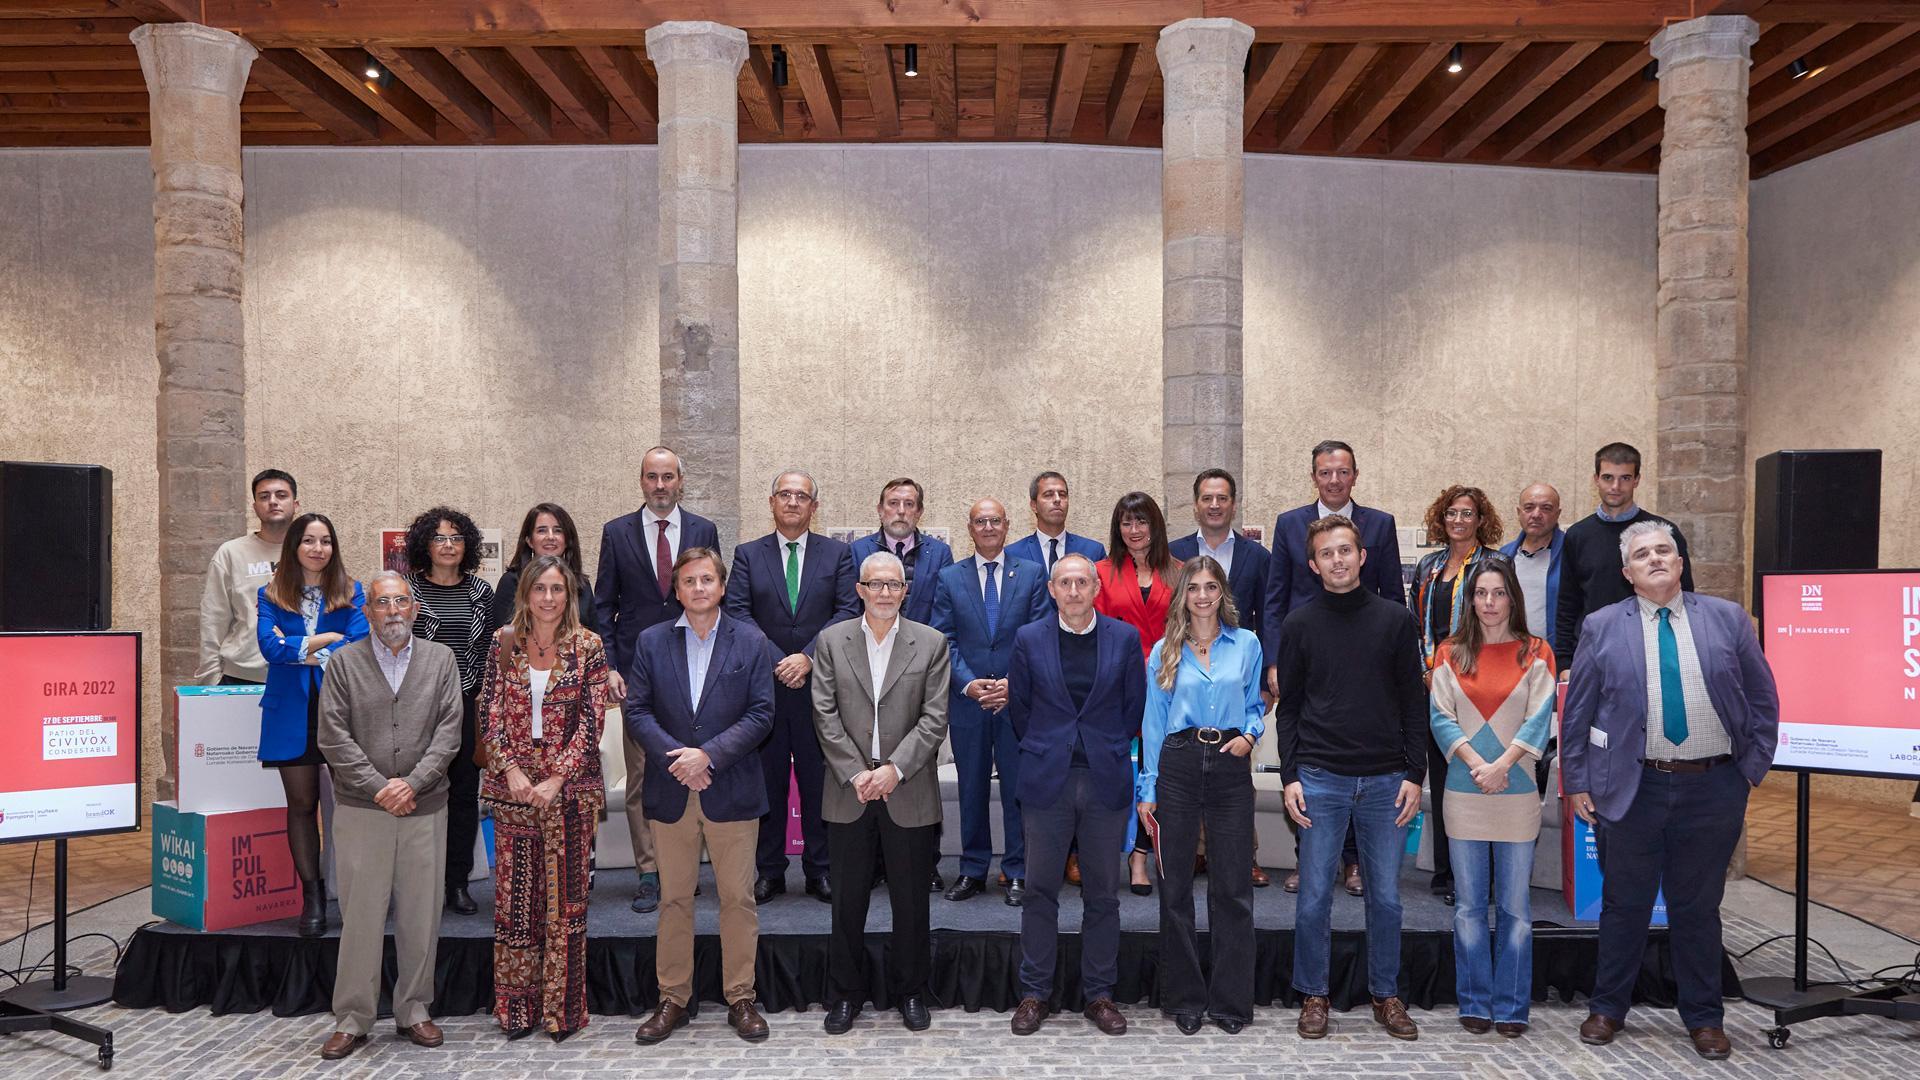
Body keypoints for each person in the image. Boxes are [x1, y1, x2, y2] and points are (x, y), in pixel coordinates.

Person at [1562, 520, 1779, 1060]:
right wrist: (1577, 780)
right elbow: (1579, 712)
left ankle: (1704, 1016)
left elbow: (1761, 697)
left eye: (1665, 550)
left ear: (1680, 563)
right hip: (1633, 788)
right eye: (1643, 554)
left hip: (1713, 788)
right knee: (1623, 906)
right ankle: (1608, 1007)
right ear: (1627, 572)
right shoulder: (1601, 626)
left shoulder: (1727, 619)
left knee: (1697, 908)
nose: (1656, 558)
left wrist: (1750, 768)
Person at [1275, 515, 1427, 1042]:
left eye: (1347, 550)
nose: (1338, 560)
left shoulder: (1396, 621)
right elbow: (1288, 709)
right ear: (1313, 566)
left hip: (1387, 781)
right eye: (1327, 554)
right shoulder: (1298, 625)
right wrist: (1290, 775)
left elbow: (1414, 701)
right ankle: (1314, 994)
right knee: (1314, 894)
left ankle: (1386, 994)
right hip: (1320, 778)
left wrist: (1415, 772)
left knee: (1385, 896)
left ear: (1363, 556)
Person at [627, 548, 775, 1045]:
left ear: (722, 585)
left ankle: (741, 997)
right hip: (672, 790)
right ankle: (673, 997)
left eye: (707, 579)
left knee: (738, 898)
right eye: (688, 580)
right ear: (676, 588)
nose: (698, 588)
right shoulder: (650, 642)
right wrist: (681, 759)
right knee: (673, 899)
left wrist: (706, 757)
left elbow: (761, 714)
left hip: (729, 787)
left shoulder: (751, 640)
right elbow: (638, 712)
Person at [314, 572, 464, 1061]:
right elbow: (333, 737)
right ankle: (353, 1018)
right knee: (360, 916)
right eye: (383, 603)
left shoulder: (441, 660)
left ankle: (414, 1009)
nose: (393, 611)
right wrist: (381, 788)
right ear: (368, 612)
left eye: (401, 601)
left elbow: (449, 732)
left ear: (415, 609)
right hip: (362, 810)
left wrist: (413, 784)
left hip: (425, 807)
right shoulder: (342, 663)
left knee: (422, 914)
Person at [812, 552, 951, 1035]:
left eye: (894, 585)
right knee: (847, 902)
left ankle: (911, 991)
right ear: (860, 589)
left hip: (906, 789)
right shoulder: (830, 641)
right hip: (848, 790)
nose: (886, 593)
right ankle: (845, 994)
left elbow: (934, 719)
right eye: (877, 585)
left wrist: (894, 770)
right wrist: (857, 774)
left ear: (905, 591)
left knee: (912, 902)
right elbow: (824, 715)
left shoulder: (931, 643)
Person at [1006, 553, 1142, 1037]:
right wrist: (1050, 746)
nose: (1074, 590)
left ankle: (1099, 994)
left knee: (1103, 894)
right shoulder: (1028, 639)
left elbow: (1133, 709)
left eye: (1083, 581)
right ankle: (1035, 993)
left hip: (1104, 779)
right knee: (1040, 890)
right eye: (1065, 582)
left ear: (1096, 588)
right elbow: (1019, 710)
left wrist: (1101, 746)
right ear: (1051, 589)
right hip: (1048, 780)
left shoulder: (1124, 639)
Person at [1263, 440, 1402, 894]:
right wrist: (1274, 661)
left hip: (1366, 661)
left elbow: (1392, 597)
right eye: (1326, 472)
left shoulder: (1380, 525)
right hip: (1307, 657)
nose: (1335, 480)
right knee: (1312, 756)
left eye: (1343, 472)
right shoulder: (1289, 524)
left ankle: (1355, 863)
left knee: (1359, 758)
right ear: (1314, 477)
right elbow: (1275, 599)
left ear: (1355, 475)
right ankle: (1312, 859)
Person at [478, 555, 607, 1041]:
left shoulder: (588, 647)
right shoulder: (501, 644)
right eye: (540, 589)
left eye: (558, 589)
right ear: (525, 594)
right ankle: (516, 1010)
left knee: (566, 907)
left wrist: (555, 779)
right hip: (512, 793)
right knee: (516, 905)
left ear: (568, 595)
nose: (549, 598)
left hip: (570, 794)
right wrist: (510, 768)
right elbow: (489, 713)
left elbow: (591, 721)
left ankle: (562, 1013)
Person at [1136, 555, 1265, 1035]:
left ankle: (1232, 1002)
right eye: (1194, 587)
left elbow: (1256, 705)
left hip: (1230, 762)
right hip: (1178, 765)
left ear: (1222, 593)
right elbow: (1152, 723)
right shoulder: (1164, 650)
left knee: (1233, 886)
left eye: (1212, 586)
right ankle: (1184, 998)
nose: (1203, 596)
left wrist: (1250, 736)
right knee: (1175, 888)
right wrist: (1147, 788)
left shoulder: (1247, 643)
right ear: (1183, 595)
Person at [1428, 558, 1556, 1038]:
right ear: (1469, 599)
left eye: (1498, 593)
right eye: (1481, 593)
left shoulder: (1536, 651)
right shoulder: (1449, 652)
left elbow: (1540, 719)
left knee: (1516, 909)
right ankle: (1476, 1001)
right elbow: (1441, 718)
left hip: (1516, 791)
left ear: (1513, 598)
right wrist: (1477, 765)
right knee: (1467, 908)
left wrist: (1500, 766)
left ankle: (1512, 1006)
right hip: (1464, 792)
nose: (1489, 603)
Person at [596, 446, 722, 914]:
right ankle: (649, 872)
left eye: (668, 476)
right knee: (642, 778)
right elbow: (604, 605)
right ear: (642, 481)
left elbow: (712, 596)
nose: (661, 485)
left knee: (698, 768)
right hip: (638, 675)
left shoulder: (703, 530)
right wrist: (610, 666)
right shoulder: (617, 532)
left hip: (697, 673)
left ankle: (686, 869)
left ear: (680, 481)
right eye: (653, 476)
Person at [726, 468, 859, 903]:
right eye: (785, 494)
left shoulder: (837, 556)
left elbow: (845, 611)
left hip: (818, 686)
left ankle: (820, 869)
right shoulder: (747, 554)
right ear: (771, 502)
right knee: (768, 782)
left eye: (802, 496)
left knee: (818, 781)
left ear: (814, 507)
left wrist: (807, 657)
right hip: (763, 689)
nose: (792, 502)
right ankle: (770, 871)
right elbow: (739, 613)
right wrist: (778, 660)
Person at [254, 511, 367, 937]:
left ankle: (357, 893)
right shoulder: (271, 593)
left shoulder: (352, 591)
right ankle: (312, 897)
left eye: (325, 541)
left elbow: (357, 644)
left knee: (352, 807)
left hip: (341, 710)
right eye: (309, 541)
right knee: (302, 807)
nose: (318, 549)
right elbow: (269, 648)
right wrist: (324, 640)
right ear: (294, 546)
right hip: (290, 713)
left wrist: (297, 647)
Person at [930, 497, 1048, 905]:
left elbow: (1040, 635)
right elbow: (942, 637)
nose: (988, 527)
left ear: (1007, 524)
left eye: (995, 520)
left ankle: (1017, 870)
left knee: (1018, 789)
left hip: (1018, 702)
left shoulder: (1032, 575)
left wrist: (1014, 684)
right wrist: (969, 683)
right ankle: (973, 868)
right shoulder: (949, 577)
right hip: (969, 703)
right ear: (970, 527)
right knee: (972, 789)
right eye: (980, 521)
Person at [1168, 467, 1273, 888]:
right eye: (1207, 498)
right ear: (1195, 503)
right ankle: (1194, 853)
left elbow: (1268, 618)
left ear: (1233, 503)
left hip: (1236, 673)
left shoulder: (1257, 557)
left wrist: (1264, 681)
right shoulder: (1173, 552)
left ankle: (1240, 855)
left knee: (1234, 771)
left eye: (1223, 498)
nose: (1215, 505)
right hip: (1187, 669)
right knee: (1185, 765)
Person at [1409, 485, 1504, 905]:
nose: (1459, 521)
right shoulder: (1429, 565)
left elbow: (1502, 622)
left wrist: (1464, 675)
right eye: (1451, 513)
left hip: (1480, 688)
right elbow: (1416, 624)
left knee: (1477, 780)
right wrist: (1428, 671)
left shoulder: (1495, 564)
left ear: (1481, 519)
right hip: (1434, 686)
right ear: (1441, 518)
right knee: (1446, 782)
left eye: (1467, 514)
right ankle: (1448, 872)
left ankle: (1482, 878)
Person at [405, 506, 497, 916]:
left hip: (467, 703)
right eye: (440, 538)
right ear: (426, 544)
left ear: (468, 546)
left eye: (456, 538)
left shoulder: (481, 592)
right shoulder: (406, 591)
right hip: (416, 706)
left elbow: (490, 654)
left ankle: (456, 883)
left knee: (462, 796)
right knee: (417, 793)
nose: (448, 545)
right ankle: (415, 885)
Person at [1094, 491, 1179, 896]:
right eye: (1126, 523)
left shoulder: (1178, 572)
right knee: (1114, 775)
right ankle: (1113, 852)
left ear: (1155, 526)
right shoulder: (1101, 572)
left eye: (1141, 521)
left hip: (1168, 685)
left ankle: (1143, 854)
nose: (1134, 530)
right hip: (1117, 686)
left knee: (1158, 772)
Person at [1553, 442, 1695, 669]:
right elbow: (1568, 603)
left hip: (1654, 651)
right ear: (1596, 479)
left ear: (1637, 480)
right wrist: (1564, 662)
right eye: (1608, 477)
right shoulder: (1577, 535)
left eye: (1625, 478)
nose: (1616, 486)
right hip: (1595, 651)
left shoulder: (1663, 532)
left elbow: (1685, 596)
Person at [198, 468, 298, 686]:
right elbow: (213, 620)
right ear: (255, 507)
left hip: (300, 673)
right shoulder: (231, 553)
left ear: (296, 505)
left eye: (281, 495)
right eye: (264, 496)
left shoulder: (313, 552)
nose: (273, 501)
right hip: (243, 676)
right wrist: (211, 680)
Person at [850, 477, 954, 627]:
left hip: (924, 645)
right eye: (893, 503)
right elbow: (852, 609)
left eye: (909, 504)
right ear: (880, 510)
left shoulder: (940, 553)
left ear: (919, 512)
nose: (901, 511)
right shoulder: (857, 551)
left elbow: (944, 612)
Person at [492, 503, 600, 634]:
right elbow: (504, 636)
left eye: (558, 530)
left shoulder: (582, 584)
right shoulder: (511, 581)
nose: (550, 537)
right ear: (529, 540)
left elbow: (595, 633)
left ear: (567, 541)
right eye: (542, 530)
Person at [1006, 470, 1107, 591]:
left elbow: (1102, 601)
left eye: (1063, 494)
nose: (1057, 499)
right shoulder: (1013, 554)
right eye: (1048, 495)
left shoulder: (1093, 551)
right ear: (1034, 505)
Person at [1498, 484, 1564, 649]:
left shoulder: (1572, 554)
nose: (1536, 514)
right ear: (1519, 513)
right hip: (1511, 655)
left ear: (1558, 514)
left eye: (1546, 508)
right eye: (1529, 507)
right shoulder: (1504, 556)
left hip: (1555, 659)